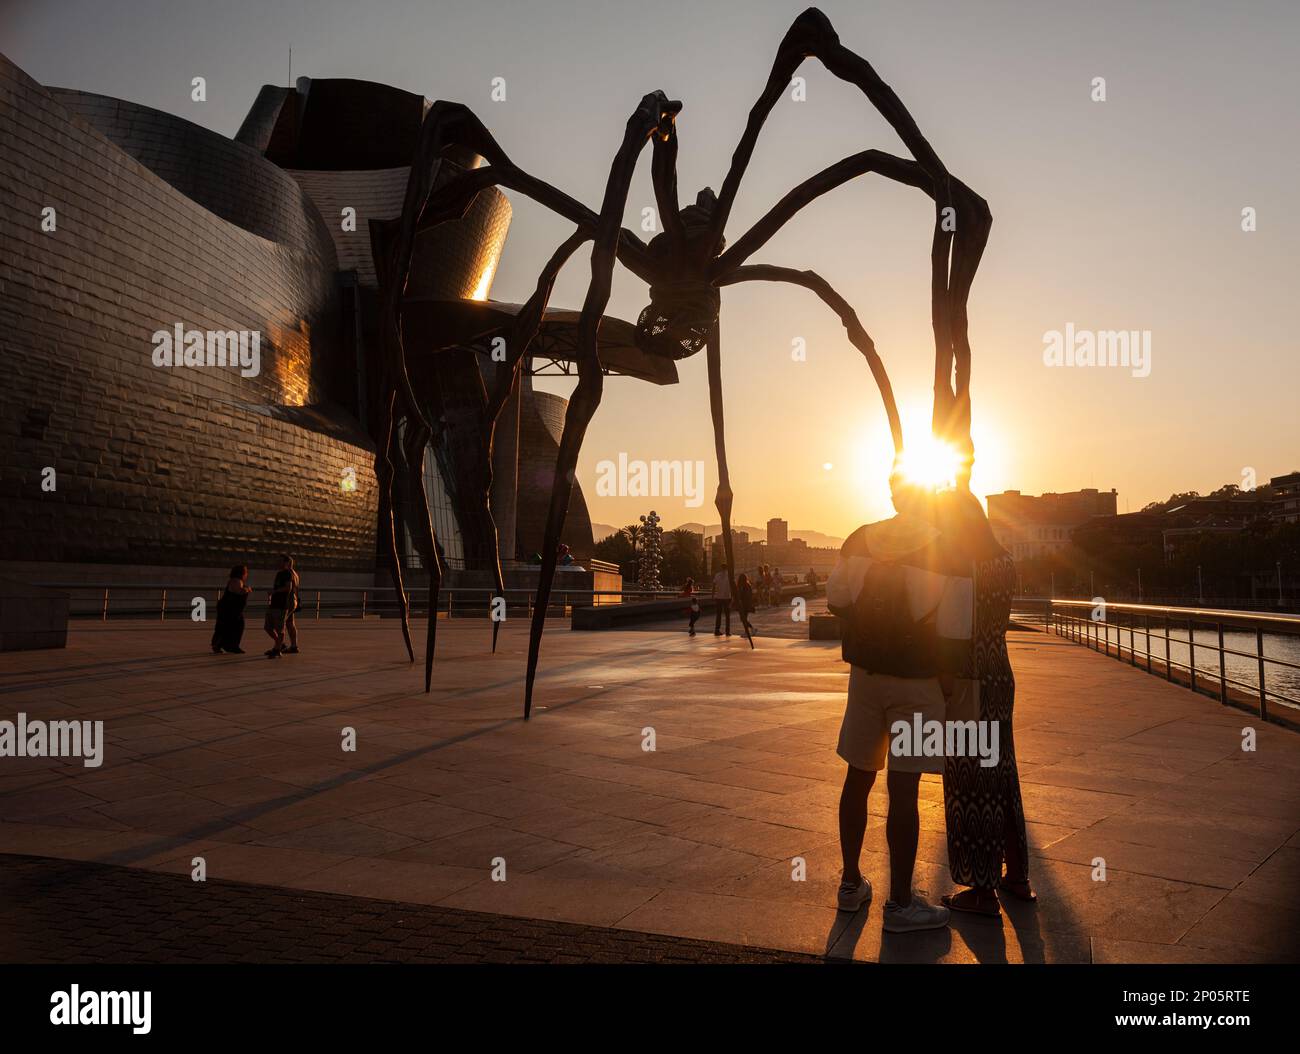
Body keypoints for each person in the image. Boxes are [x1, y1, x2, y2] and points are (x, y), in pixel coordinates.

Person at [826, 474, 971, 933]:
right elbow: (955, 632)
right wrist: (947, 690)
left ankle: (851, 884)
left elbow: (836, 599)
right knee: (904, 791)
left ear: (892, 495)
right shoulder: (949, 550)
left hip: (866, 677)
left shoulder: (861, 538)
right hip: (918, 682)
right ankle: (901, 904)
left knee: (858, 777)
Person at [937, 488, 1035, 917]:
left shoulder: (961, 565)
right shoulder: (1004, 562)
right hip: (1000, 674)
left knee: (970, 782)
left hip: (969, 677)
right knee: (1002, 773)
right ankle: (1017, 876)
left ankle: (981, 890)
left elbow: (954, 631)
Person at [211, 565, 252, 654]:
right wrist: (247, 589)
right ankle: (229, 646)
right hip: (229, 608)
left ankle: (224, 645)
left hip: (231, 609)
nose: (247, 574)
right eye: (246, 572)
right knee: (232, 626)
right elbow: (239, 591)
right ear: (242, 573)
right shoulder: (236, 581)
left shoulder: (235, 580)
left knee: (228, 626)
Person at [264, 554, 295, 659]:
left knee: (280, 628)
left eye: (280, 561)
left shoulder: (287, 574)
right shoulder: (279, 574)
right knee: (267, 627)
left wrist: (274, 591)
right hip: (274, 604)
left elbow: (288, 588)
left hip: (282, 605)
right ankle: (279, 644)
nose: (278, 563)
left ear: (286, 563)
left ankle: (277, 649)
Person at [284, 561, 302, 654]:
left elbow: (288, 588)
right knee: (290, 623)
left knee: (280, 622)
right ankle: (294, 645)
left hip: (288, 601)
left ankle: (280, 645)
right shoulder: (295, 573)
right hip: (293, 600)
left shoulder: (288, 573)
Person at [712, 564, 732, 636]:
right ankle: (727, 631)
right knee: (727, 615)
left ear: (721, 568)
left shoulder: (717, 575)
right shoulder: (729, 575)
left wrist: (712, 595)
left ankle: (717, 630)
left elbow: (714, 585)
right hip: (727, 597)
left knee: (718, 615)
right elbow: (732, 586)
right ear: (727, 568)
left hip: (718, 597)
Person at [736, 572, 756, 637]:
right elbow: (750, 595)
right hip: (747, 605)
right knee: (744, 619)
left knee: (743, 619)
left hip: (743, 605)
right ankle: (749, 630)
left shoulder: (742, 586)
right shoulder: (748, 585)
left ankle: (749, 630)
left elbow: (740, 595)